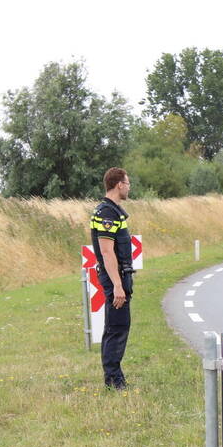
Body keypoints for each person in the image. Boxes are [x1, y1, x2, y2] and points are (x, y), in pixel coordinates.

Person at [90, 167, 135, 390]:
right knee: (116, 327)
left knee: (118, 325)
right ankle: (114, 381)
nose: (129, 187)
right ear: (119, 185)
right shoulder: (107, 213)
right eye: (127, 183)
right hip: (114, 278)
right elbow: (107, 253)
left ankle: (114, 378)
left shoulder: (114, 211)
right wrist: (117, 285)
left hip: (121, 276)